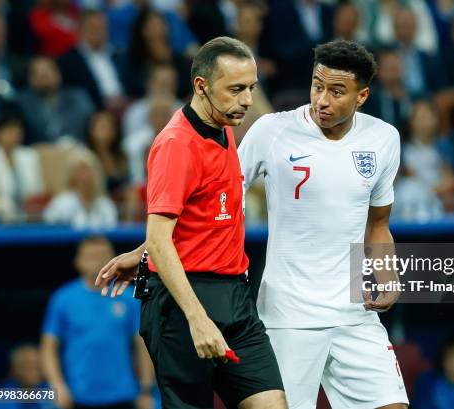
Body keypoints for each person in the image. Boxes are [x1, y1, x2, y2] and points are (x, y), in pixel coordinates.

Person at [95, 37, 287, 409]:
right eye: (236, 89)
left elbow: (188, 225)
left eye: (251, 88)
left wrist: (143, 250)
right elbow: (163, 239)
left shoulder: (224, 124)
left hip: (236, 299)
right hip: (184, 304)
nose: (246, 100)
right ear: (201, 86)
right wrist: (197, 319)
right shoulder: (176, 145)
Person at [238, 40, 408, 409]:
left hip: (354, 312)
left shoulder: (383, 139)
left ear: (362, 96)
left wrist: (387, 275)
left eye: (336, 91)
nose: (322, 100)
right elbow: (222, 199)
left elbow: (378, 224)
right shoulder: (272, 131)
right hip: (289, 314)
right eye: (318, 86)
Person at [40, 236, 154, 409]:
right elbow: (49, 346)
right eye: (90, 256)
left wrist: (146, 389)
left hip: (123, 395)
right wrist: (57, 385)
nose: (97, 261)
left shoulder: (129, 297)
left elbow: (143, 344)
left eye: (102, 255)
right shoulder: (62, 299)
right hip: (77, 396)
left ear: (114, 259)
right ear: (78, 262)